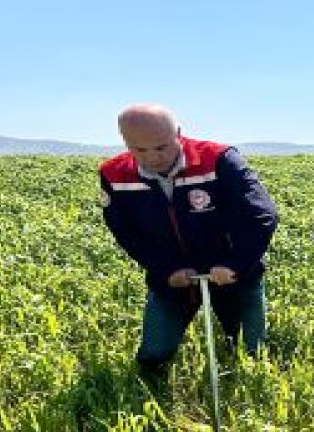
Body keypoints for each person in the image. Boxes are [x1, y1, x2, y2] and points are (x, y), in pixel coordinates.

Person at [99, 104, 279, 386]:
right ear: (126, 142)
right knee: (153, 357)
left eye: (160, 147)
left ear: (178, 134)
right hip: (171, 278)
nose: (152, 158)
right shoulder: (114, 174)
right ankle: (152, 399)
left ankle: (247, 396)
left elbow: (260, 214)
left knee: (250, 354)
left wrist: (235, 264)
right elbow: (127, 232)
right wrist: (166, 269)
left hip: (234, 274)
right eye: (140, 150)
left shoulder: (219, 160)